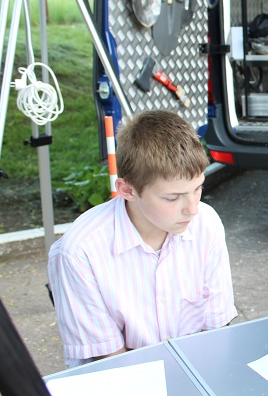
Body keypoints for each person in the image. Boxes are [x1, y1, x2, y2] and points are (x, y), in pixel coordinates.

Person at [48, 110, 237, 368]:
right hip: (120, 378)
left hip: (197, 368)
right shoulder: (80, 251)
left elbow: (217, 329)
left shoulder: (207, 223)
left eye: (198, 189)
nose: (192, 209)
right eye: (172, 198)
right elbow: (108, 358)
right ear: (127, 190)